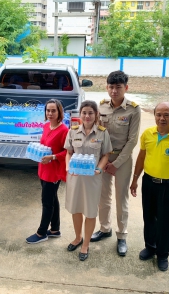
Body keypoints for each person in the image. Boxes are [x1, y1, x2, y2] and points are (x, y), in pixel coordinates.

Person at [130, 102, 169, 271]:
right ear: (154, 115)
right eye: (158, 114)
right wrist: (135, 179)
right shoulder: (147, 134)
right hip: (149, 182)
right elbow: (141, 157)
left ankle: (163, 254)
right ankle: (150, 247)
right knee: (148, 217)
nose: (162, 118)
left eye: (166, 115)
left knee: (165, 221)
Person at [92, 71, 141, 257]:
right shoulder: (101, 106)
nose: (114, 91)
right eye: (111, 87)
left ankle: (122, 236)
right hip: (103, 158)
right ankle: (105, 229)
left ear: (126, 88)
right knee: (103, 196)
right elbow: (97, 132)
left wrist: (117, 163)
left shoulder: (134, 109)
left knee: (122, 198)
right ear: (107, 87)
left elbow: (132, 140)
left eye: (118, 87)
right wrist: (102, 159)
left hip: (122, 159)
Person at [64, 100, 112, 261]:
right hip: (75, 177)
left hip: (93, 178)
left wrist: (99, 168)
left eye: (91, 113)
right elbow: (69, 152)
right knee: (76, 208)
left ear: (96, 114)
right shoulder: (73, 131)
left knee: (90, 211)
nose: (87, 116)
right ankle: (78, 237)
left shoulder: (102, 133)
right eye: (84, 112)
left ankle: (86, 244)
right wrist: (68, 168)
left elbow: (106, 154)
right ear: (80, 114)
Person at [26, 99, 69, 244]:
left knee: (47, 202)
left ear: (59, 112)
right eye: (48, 110)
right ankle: (55, 229)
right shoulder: (46, 126)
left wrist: (53, 156)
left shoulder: (64, 131)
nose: (50, 113)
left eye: (53, 111)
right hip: (43, 168)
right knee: (52, 199)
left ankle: (41, 232)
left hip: (54, 171)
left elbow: (68, 152)